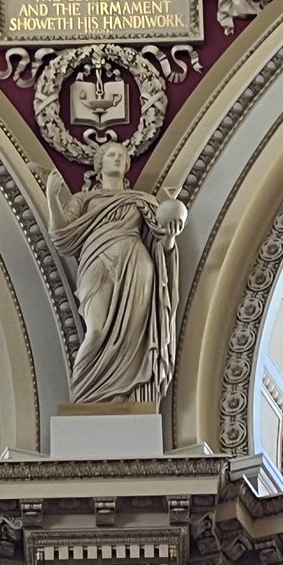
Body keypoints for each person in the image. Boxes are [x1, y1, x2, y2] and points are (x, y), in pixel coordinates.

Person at [44, 142, 187, 405]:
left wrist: (170, 236)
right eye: (111, 155)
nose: (118, 159)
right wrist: (52, 198)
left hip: (136, 264)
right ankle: (84, 399)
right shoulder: (84, 200)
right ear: (99, 166)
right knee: (96, 331)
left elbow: (161, 243)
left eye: (122, 156)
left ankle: (129, 397)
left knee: (134, 338)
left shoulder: (142, 201)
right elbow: (61, 236)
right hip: (97, 262)